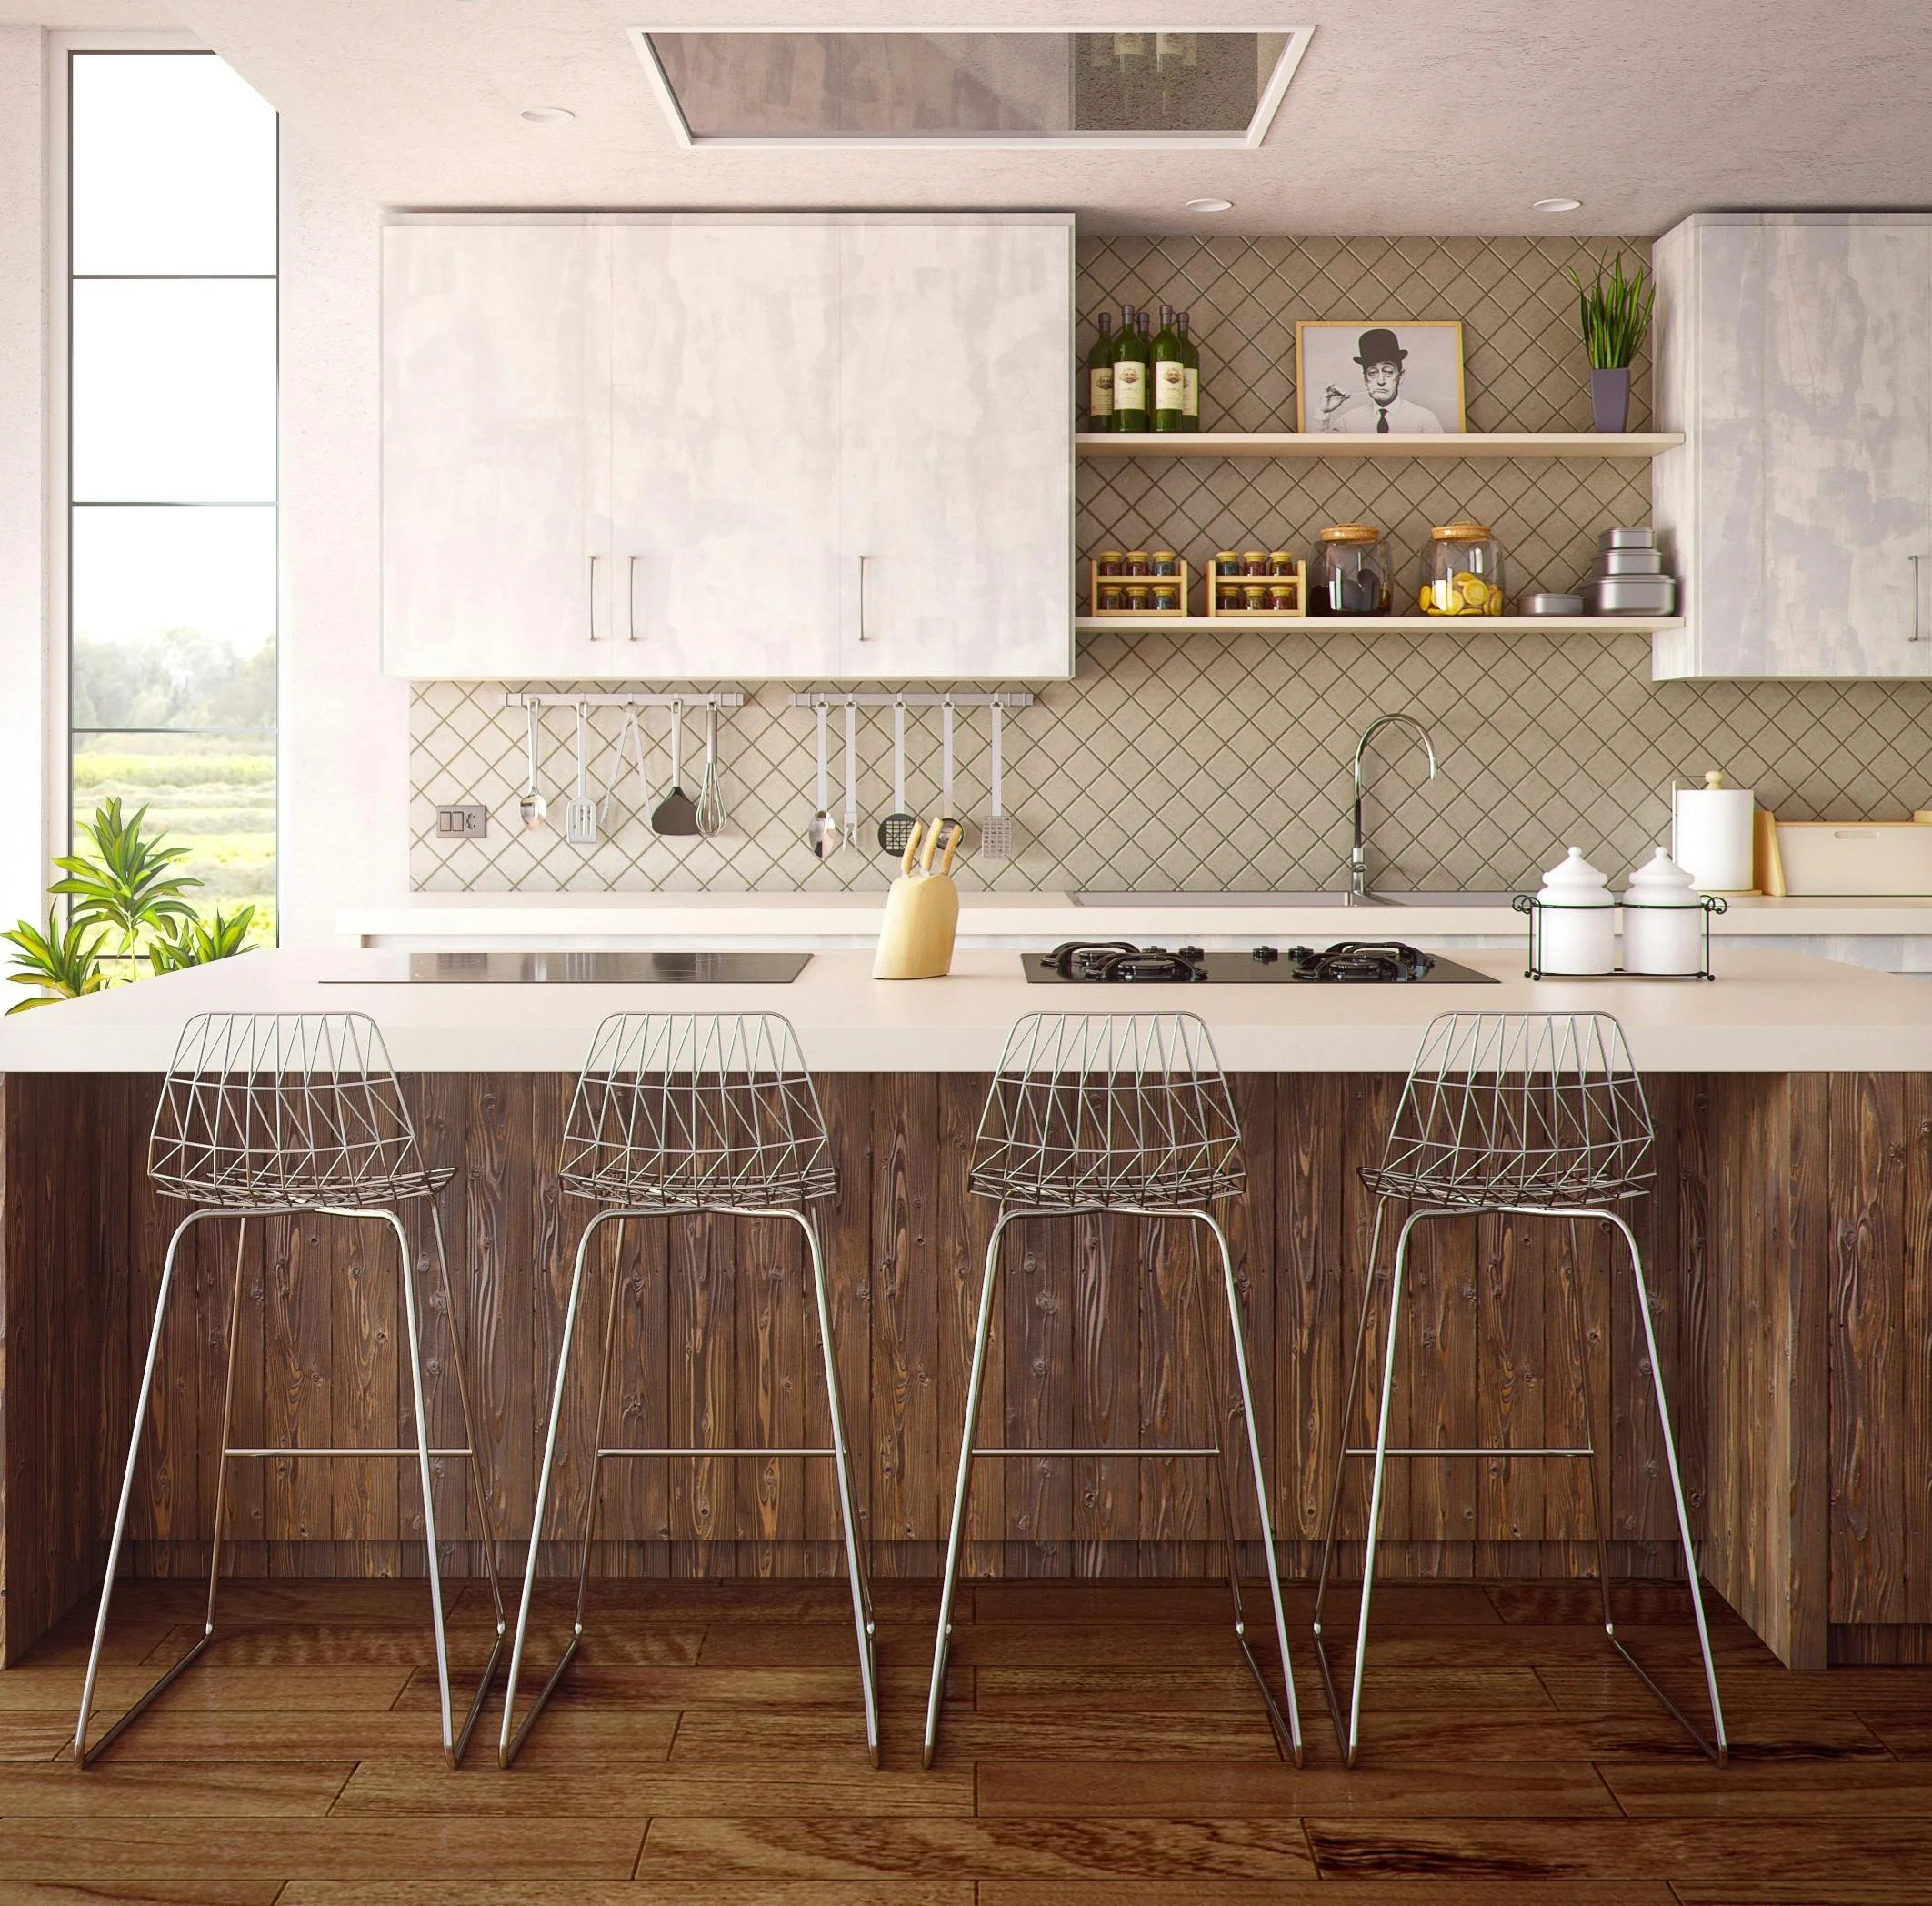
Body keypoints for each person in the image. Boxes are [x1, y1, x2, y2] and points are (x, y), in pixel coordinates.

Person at [1316, 326, 1445, 433]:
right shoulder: (1347, 422)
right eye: (1372, 373)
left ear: (1401, 376)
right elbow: (1323, 453)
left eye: (1388, 372)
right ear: (1365, 380)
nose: (1381, 381)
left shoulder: (1424, 420)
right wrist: (1323, 412)